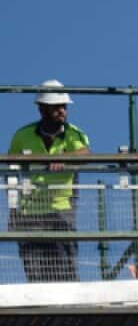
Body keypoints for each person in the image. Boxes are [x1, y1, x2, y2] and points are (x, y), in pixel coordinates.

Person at [8, 80, 91, 282]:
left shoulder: (73, 134)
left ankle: (70, 310)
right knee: (35, 268)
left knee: (65, 265)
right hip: (29, 211)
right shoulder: (23, 136)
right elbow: (11, 173)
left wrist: (64, 158)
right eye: (57, 107)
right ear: (42, 109)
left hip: (61, 208)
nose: (63, 111)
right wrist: (12, 210)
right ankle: (43, 310)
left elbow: (85, 153)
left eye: (64, 106)